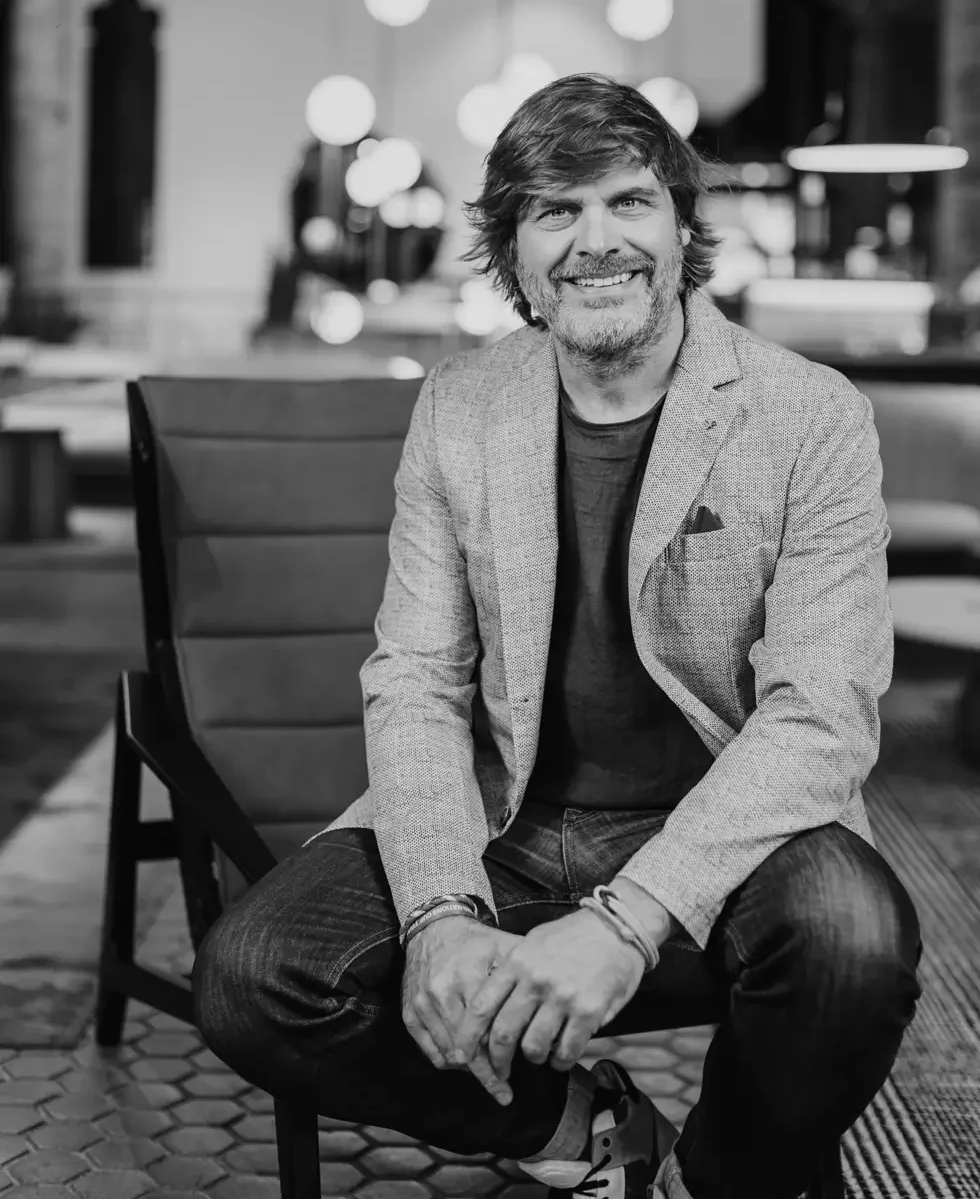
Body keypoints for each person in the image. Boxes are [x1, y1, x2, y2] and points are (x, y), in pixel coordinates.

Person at [193, 72, 923, 1199]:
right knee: (253, 976)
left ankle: (714, 1179)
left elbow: (820, 713)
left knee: (853, 946)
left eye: (628, 201)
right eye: (555, 211)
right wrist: (439, 912)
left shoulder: (808, 413)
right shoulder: (459, 405)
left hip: (722, 812)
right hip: (510, 816)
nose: (597, 243)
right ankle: (586, 1129)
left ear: (680, 225)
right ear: (513, 250)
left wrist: (628, 921)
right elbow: (417, 679)